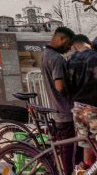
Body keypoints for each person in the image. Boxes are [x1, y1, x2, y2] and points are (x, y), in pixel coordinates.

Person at [42, 26, 76, 173]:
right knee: (70, 155)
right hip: (65, 112)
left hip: (58, 112)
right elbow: (60, 86)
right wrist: (75, 93)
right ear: (60, 38)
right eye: (68, 44)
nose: (68, 48)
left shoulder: (45, 54)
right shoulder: (57, 59)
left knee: (64, 153)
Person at [67, 34, 97, 168]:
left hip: (78, 109)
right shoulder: (94, 56)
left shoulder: (70, 60)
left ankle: (84, 170)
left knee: (86, 145)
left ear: (74, 46)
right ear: (89, 43)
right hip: (94, 109)